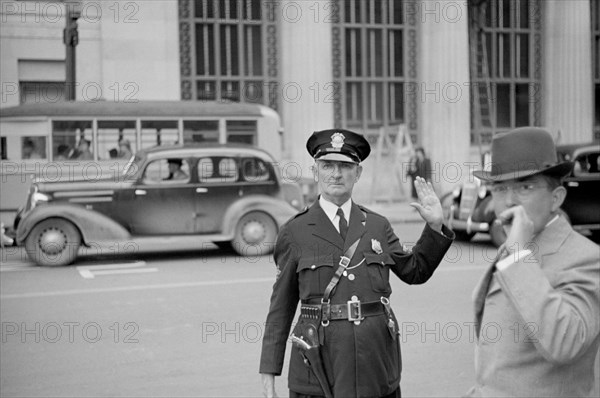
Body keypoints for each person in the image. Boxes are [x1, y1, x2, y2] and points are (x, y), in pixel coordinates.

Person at [259, 128, 455, 398]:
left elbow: (415, 271)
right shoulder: (295, 231)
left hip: (374, 361)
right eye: (327, 165)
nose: (336, 174)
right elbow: (280, 308)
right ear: (316, 172)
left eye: (345, 166)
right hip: (319, 364)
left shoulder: (377, 225)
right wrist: (269, 371)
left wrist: (434, 226)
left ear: (358, 173)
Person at [467, 127, 600, 397]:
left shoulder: (586, 258)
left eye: (525, 187)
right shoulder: (518, 247)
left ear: (556, 198)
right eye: (500, 188)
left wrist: (517, 255)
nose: (509, 202)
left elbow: (565, 342)